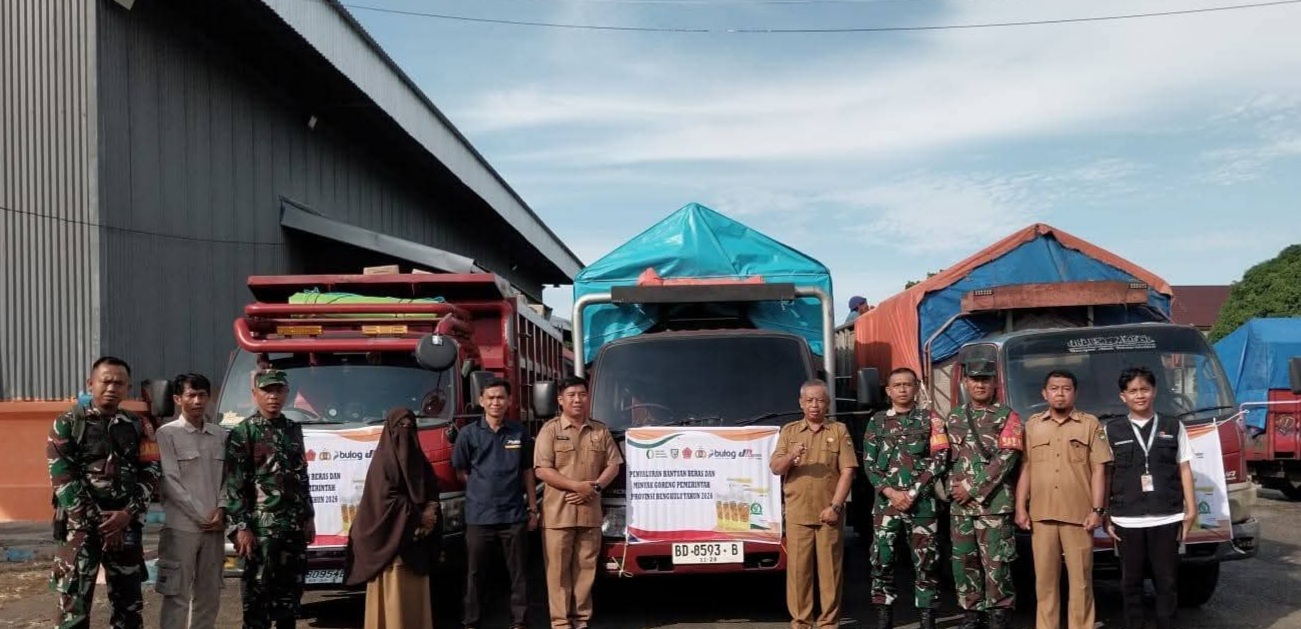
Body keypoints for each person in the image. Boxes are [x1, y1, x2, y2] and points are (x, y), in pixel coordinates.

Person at [47, 356, 161, 629]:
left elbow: (152, 471)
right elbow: (63, 479)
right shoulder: (67, 423)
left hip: (126, 527)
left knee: (129, 610)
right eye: (106, 381)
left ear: (128, 387)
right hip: (81, 531)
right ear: (90, 384)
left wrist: (127, 514)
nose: (112, 387)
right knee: (73, 610)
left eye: (119, 383)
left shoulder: (139, 425)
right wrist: (103, 524)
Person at [1014, 370, 1112, 629]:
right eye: (1054, 388)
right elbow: (1026, 467)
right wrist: (1020, 507)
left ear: (1074, 393)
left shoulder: (1090, 424)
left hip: (1079, 517)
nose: (1060, 393)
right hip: (1042, 516)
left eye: (1066, 388)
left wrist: (1097, 510)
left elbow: (1100, 470)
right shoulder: (1033, 425)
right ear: (1044, 393)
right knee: (1045, 583)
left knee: (1081, 582)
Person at [1104, 366, 1198, 629]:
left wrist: (1190, 509)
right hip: (1127, 519)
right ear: (1123, 397)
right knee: (1130, 583)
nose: (1139, 395)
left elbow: (1185, 467)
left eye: (1144, 389)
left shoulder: (1173, 425)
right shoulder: (1112, 430)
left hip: (1167, 516)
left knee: (1166, 582)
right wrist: (1104, 513)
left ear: (1154, 392)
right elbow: (1106, 473)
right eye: (1132, 391)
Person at [223, 369, 315, 629]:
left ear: (286, 393)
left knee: (290, 600)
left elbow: (302, 476)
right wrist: (241, 527)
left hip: (293, 527)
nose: (273, 396)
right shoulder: (244, 432)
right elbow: (235, 485)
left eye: (278, 390)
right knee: (257, 598)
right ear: (255, 394)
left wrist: (309, 517)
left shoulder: (292, 429)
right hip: (261, 530)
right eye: (266, 390)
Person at [534, 376, 624, 629]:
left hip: (589, 514)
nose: (577, 399)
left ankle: (581, 619)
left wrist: (594, 487)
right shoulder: (550, 430)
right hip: (557, 516)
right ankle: (561, 622)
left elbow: (613, 465)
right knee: (558, 572)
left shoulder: (600, 430)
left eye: (582, 394)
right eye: (571, 395)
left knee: (585, 570)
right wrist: (577, 487)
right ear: (560, 400)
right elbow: (542, 470)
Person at [863, 368, 949, 629]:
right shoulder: (877, 422)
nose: (902, 389)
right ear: (888, 391)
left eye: (907, 385)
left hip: (922, 504)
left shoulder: (930, 420)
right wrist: (890, 493)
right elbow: (869, 463)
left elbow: (940, 459)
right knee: (882, 559)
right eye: (897, 385)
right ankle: (884, 615)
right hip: (886, 506)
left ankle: (927, 618)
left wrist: (911, 493)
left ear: (915, 389)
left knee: (926, 562)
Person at [770, 379, 859, 629]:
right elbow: (775, 468)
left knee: (830, 572)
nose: (815, 405)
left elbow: (848, 471)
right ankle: (801, 622)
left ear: (828, 403)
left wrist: (836, 506)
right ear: (801, 403)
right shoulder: (789, 432)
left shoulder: (838, 431)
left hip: (828, 513)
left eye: (820, 400)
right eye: (809, 400)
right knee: (799, 574)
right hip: (798, 513)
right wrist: (791, 455)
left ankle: (829, 623)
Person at [452, 378, 539, 629]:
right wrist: (482, 492)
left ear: (510, 401)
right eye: (490, 397)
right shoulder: (468, 434)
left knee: (519, 573)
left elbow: (528, 472)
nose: (495, 402)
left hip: (513, 514)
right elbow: (462, 472)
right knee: (475, 572)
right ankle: (471, 621)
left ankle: (520, 621)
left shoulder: (518, 432)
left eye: (500, 397)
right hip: (479, 516)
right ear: (481, 401)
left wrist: (533, 509)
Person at [945, 359, 1023, 629]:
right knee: (963, 562)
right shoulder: (953, 417)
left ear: (994, 383)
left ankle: (998, 614)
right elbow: (944, 460)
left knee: (996, 563)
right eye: (975, 379)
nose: (980, 384)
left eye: (985, 379)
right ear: (966, 382)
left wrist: (972, 488)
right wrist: (950, 489)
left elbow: (1007, 458)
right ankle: (971, 613)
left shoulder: (1008, 416)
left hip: (994, 505)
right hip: (960, 508)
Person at [344, 407, 439, 629]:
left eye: (410, 426)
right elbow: (384, 500)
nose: (405, 431)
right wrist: (418, 515)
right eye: (400, 426)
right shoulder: (383, 464)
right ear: (390, 430)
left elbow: (431, 488)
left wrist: (431, 508)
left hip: (416, 547)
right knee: (392, 604)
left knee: (416, 604)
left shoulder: (420, 461)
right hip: (389, 546)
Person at [155, 373, 227, 629]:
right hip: (181, 528)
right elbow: (170, 481)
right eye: (191, 395)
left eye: (203, 395)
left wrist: (222, 509)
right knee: (177, 594)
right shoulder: (166, 434)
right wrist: (201, 516)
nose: (198, 401)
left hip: (215, 528)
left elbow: (228, 479)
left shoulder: (220, 435)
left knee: (209, 593)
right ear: (177, 399)